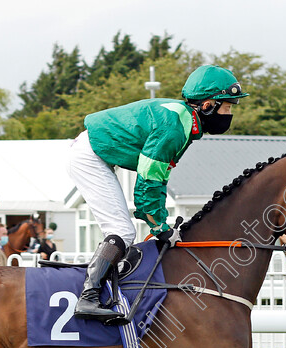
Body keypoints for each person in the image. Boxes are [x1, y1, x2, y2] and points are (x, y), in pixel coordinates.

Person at [67, 65, 248, 321]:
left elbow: (160, 178)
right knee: (122, 230)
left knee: (126, 229)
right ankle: (89, 297)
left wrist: (159, 222)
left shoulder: (185, 121)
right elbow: (147, 182)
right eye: (227, 106)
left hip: (95, 152)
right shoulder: (175, 127)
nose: (229, 113)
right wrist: (158, 224)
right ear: (207, 105)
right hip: (89, 156)